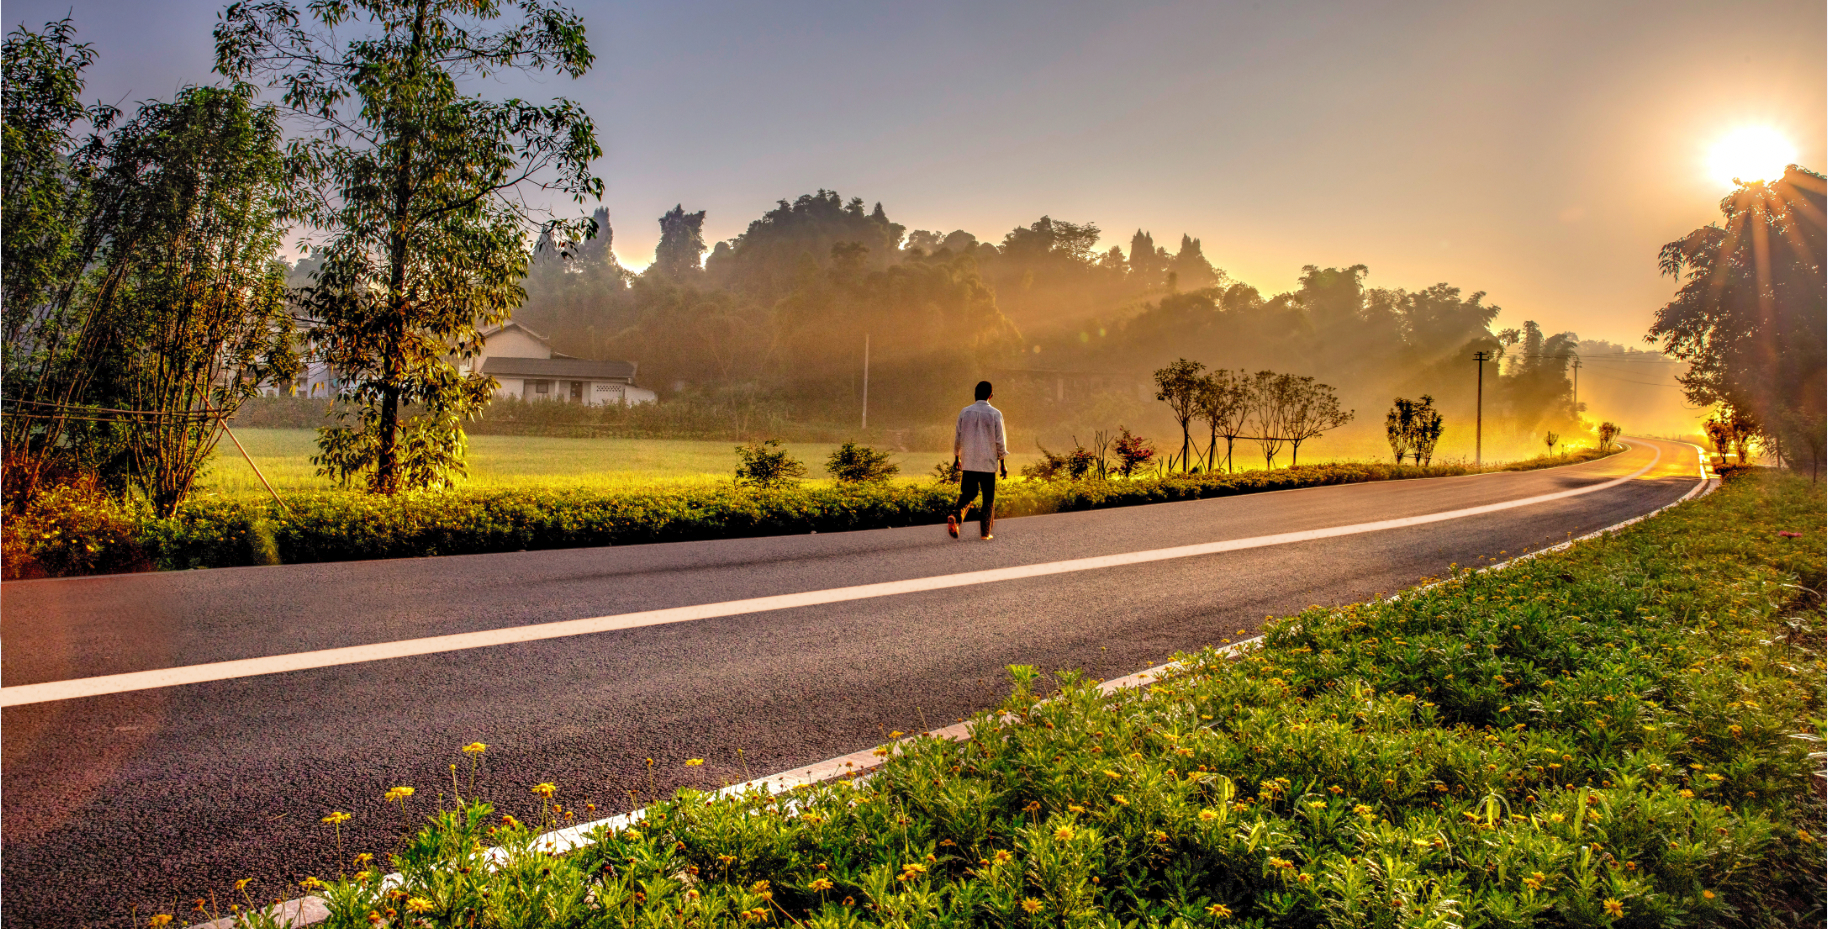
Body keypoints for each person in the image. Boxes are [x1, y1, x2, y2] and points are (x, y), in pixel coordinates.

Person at [950, 380, 1007, 541]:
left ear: (975, 394)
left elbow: (958, 437)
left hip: (969, 462)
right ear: (991, 396)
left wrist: (957, 457)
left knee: (969, 492)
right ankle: (985, 533)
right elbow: (999, 441)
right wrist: (1003, 463)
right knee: (988, 498)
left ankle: (955, 516)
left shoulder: (964, 412)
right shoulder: (995, 414)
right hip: (987, 463)